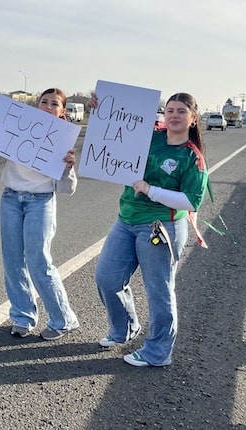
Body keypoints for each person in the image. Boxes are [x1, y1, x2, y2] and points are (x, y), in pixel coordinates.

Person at [92, 92, 209, 367]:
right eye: (170, 110)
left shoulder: (192, 157)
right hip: (127, 219)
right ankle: (125, 328)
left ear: (193, 118)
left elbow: (191, 201)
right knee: (107, 278)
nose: (174, 115)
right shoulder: (150, 137)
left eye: (181, 111)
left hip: (161, 226)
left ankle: (158, 353)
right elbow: (118, 126)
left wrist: (151, 190)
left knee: (159, 291)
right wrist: (100, 111)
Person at [0, 88, 80, 341]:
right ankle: (23, 316)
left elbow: (68, 190)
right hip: (11, 198)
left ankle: (63, 318)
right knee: (13, 261)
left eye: (54, 104)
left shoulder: (64, 140)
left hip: (41, 201)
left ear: (62, 112)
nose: (47, 106)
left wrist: (68, 168)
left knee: (38, 261)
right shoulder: (22, 126)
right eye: (43, 102)